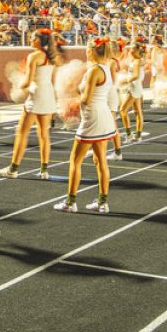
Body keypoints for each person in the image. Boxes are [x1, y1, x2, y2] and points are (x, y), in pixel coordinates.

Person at [55, 37, 118, 213]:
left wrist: (71, 103)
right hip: (103, 115)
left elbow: (87, 99)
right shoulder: (105, 67)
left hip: (93, 118)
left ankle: (70, 202)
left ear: (91, 51)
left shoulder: (94, 71)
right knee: (101, 161)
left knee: (75, 160)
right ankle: (103, 202)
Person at [0, 28, 63, 180]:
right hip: (48, 93)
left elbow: (27, 81)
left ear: (40, 40)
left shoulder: (34, 56)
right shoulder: (52, 56)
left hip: (37, 94)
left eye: (33, 38)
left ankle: (13, 168)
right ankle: (44, 170)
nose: (30, 40)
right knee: (44, 133)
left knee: (22, 132)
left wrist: (17, 84)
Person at [119, 38, 150, 140]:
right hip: (136, 87)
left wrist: (125, 80)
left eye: (132, 49)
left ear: (137, 50)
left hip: (134, 86)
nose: (130, 51)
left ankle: (129, 134)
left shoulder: (137, 61)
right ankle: (138, 134)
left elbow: (136, 75)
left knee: (123, 110)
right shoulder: (138, 60)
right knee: (137, 111)